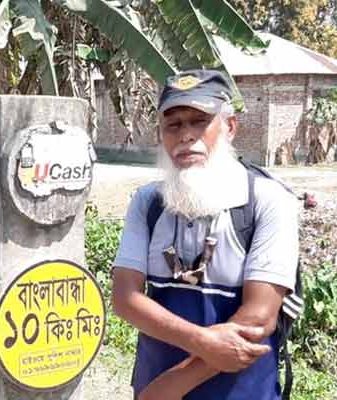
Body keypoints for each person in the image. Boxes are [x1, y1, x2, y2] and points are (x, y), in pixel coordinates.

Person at [111, 70, 299, 400]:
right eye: (174, 124)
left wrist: (171, 386)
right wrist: (203, 341)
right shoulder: (148, 203)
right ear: (161, 135)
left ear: (229, 127)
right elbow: (126, 298)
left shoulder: (267, 201)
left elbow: (259, 318)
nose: (186, 135)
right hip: (153, 382)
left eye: (199, 121)